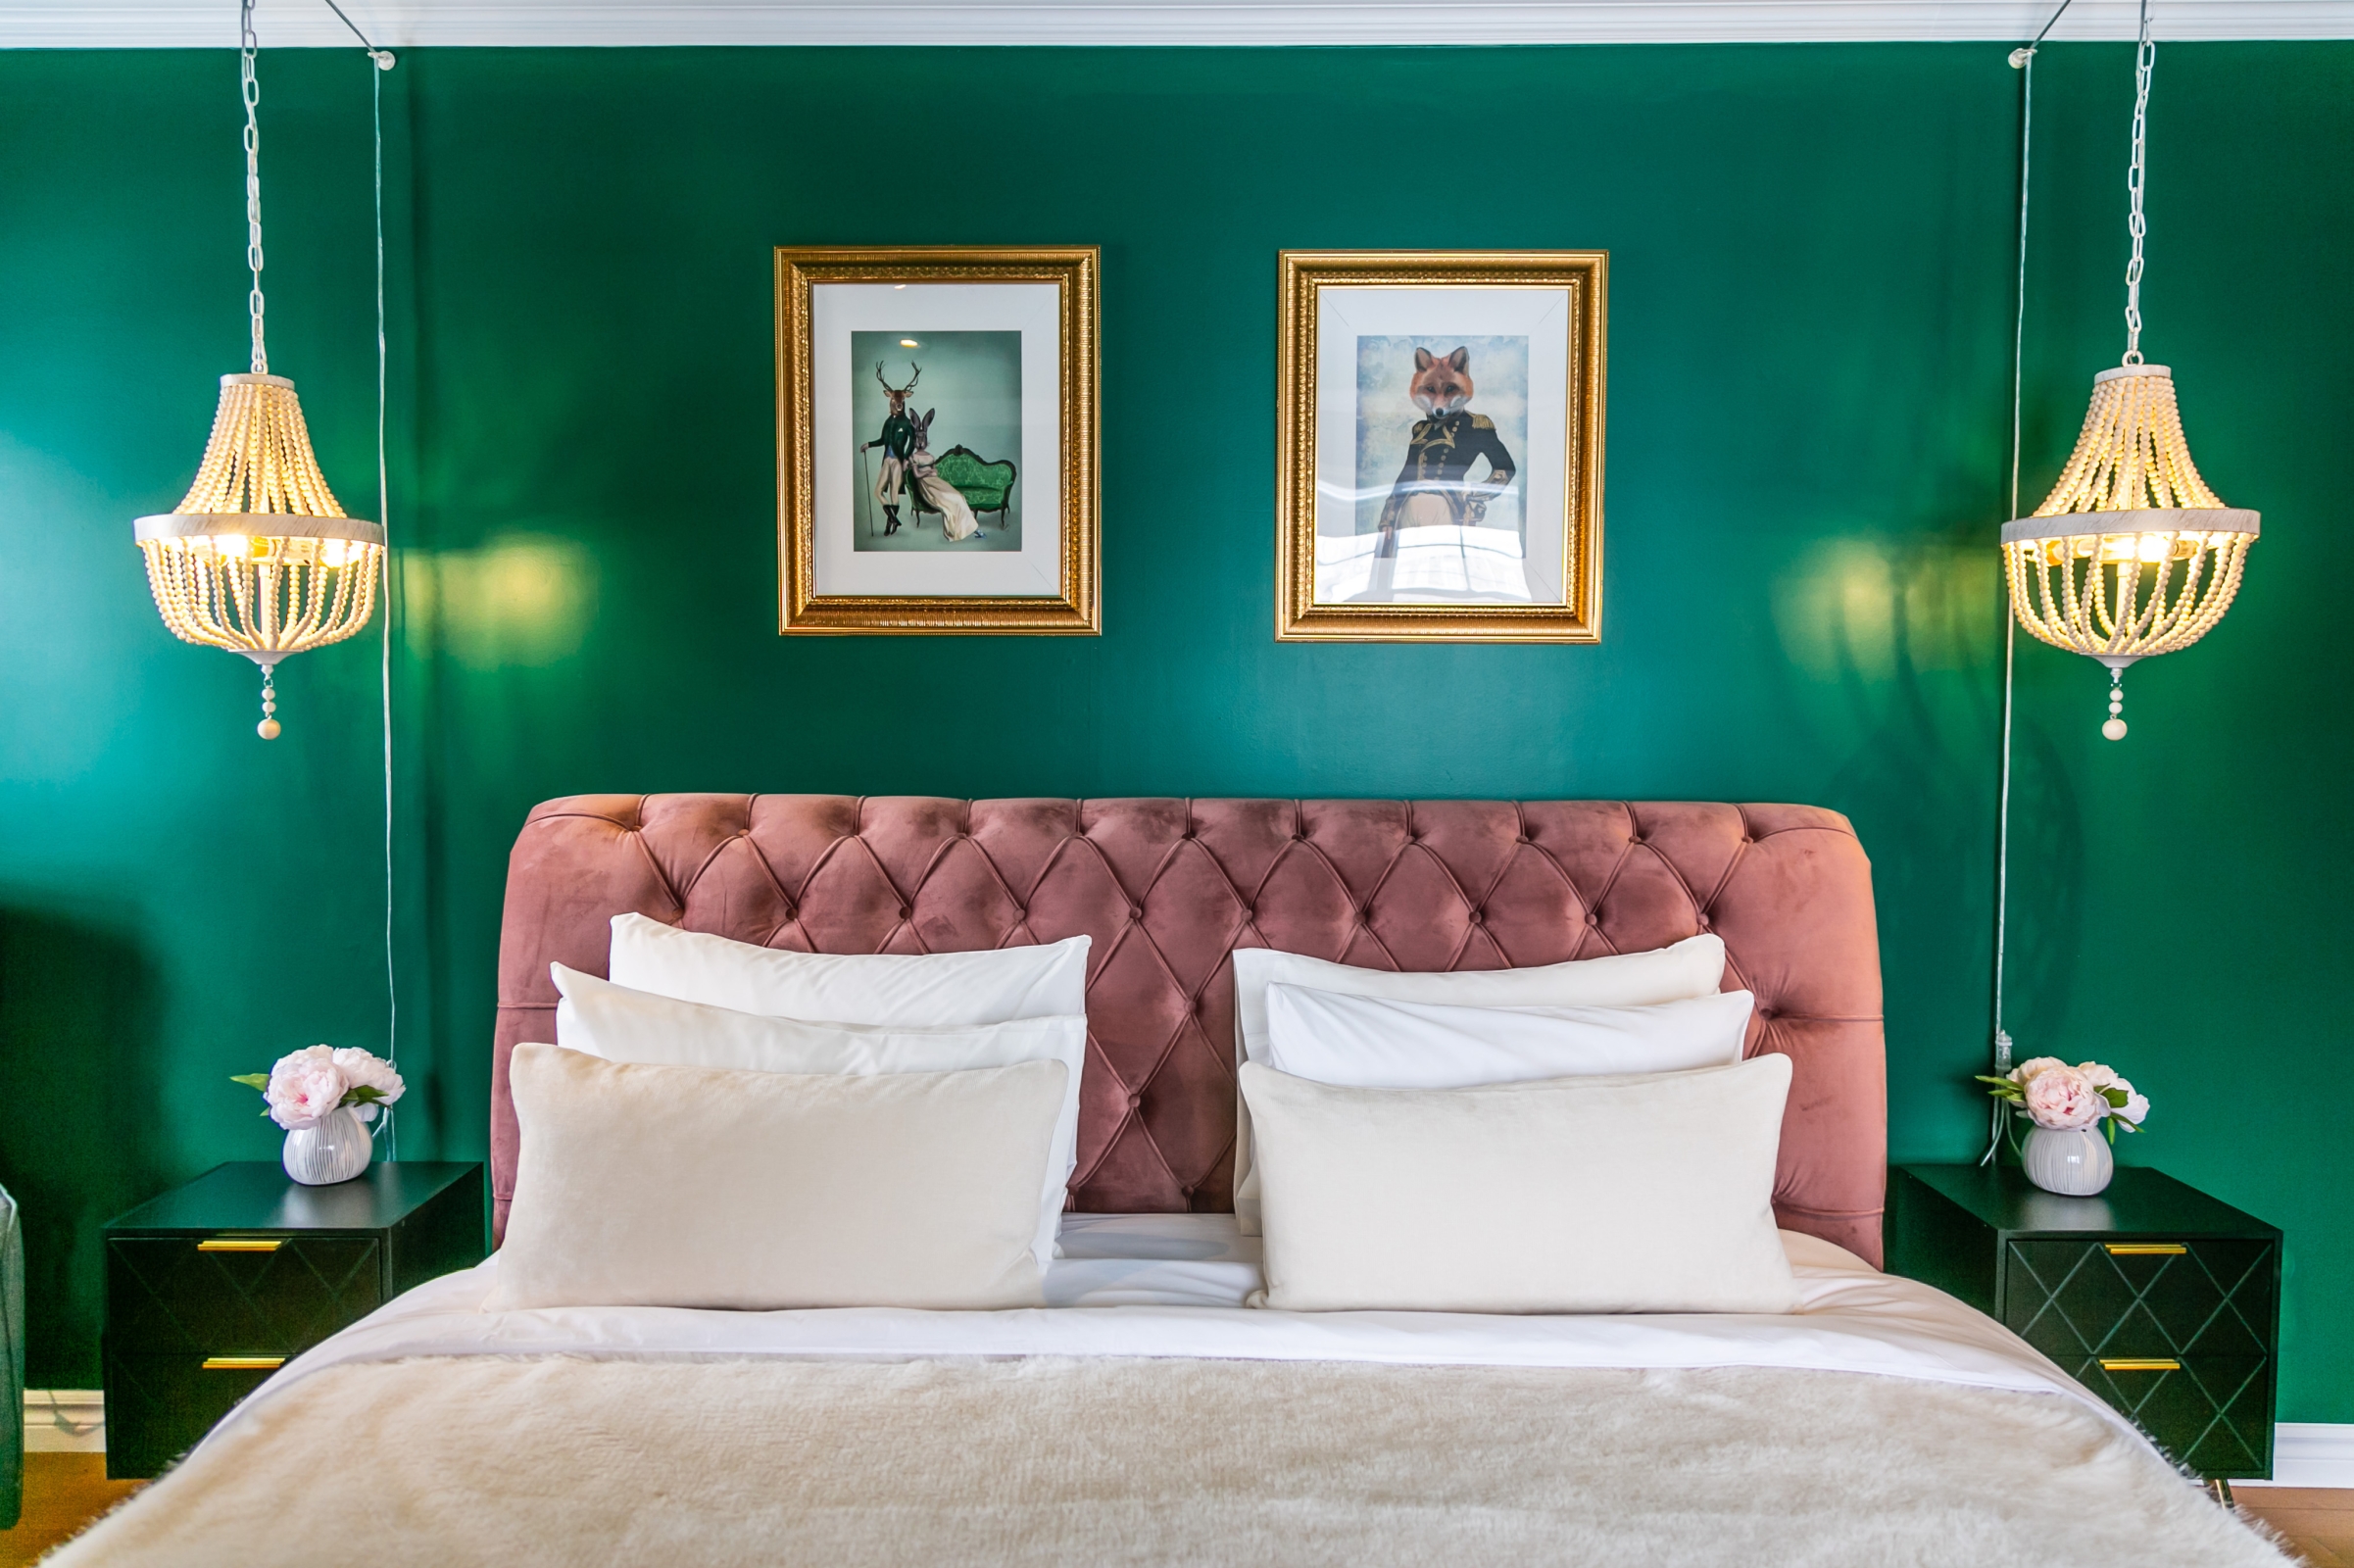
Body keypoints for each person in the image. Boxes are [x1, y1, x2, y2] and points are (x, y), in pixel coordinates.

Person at [860, 362, 920, 535]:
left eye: (901, 400)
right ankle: (894, 519)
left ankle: (889, 525)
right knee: (878, 491)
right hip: (886, 460)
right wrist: (869, 445)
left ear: (905, 399)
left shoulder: (907, 423)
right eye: (895, 399)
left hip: (898, 461)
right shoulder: (888, 422)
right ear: (890, 398)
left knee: (894, 492)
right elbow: (882, 440)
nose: (898, 403)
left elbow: (913, 442)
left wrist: (906, 458)